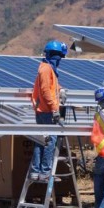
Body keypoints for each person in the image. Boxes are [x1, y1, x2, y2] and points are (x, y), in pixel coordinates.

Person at [30, 40, 67, 180]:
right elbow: (45, 91)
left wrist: (60, 89)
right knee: (50, 141)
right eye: (59, 56)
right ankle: (45, 172)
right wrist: (54, 109)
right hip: (46, 111)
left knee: (41, 140)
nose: (60, 60)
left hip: (44, 110)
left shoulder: (48, 68)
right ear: (53, 54)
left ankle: (35, 172)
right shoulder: (46, 68)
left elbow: (51, 86)